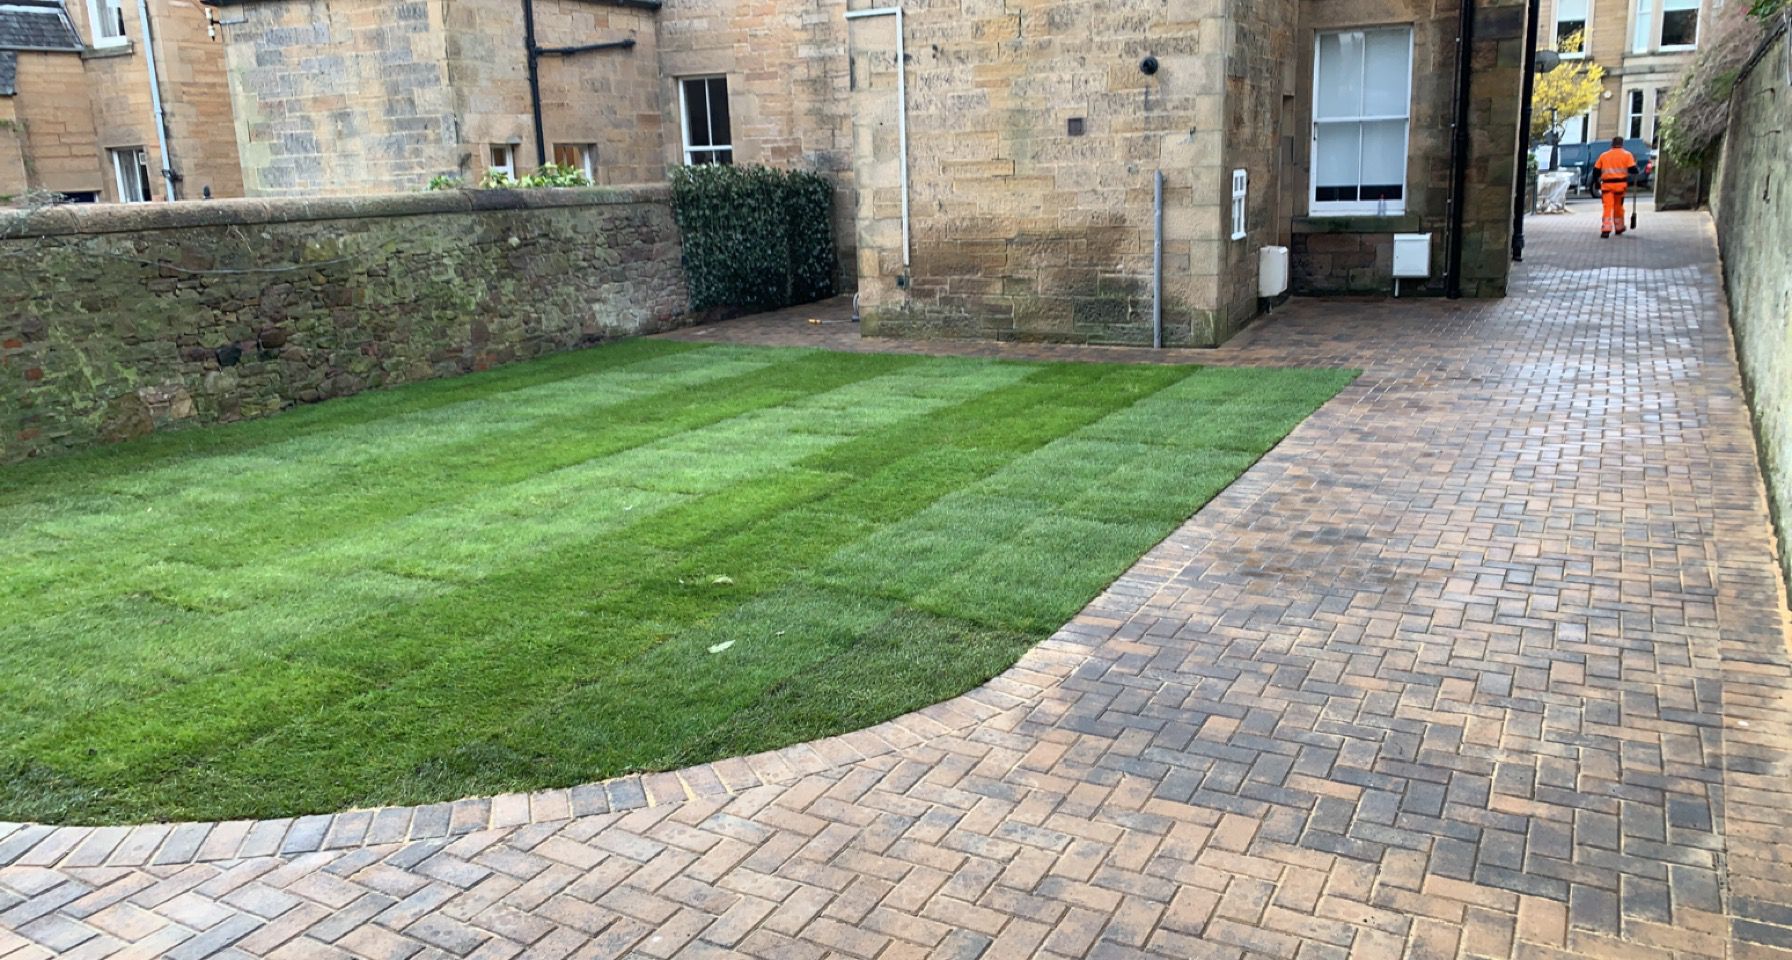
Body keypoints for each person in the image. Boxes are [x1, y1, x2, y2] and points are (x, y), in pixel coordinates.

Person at [1593, 136, 1638, 238]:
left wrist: (1596, 182)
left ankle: (1606, 229)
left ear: (1612, 144)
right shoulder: (1627, 155)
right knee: (1618, 207)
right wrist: (1636, 169)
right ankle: (1619, 227)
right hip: (1620, 187)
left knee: (1607, 207)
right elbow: (1632, 169)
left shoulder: (1604, 156)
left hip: (1607, 186)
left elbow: (1595, 171)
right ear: (1622, 144)